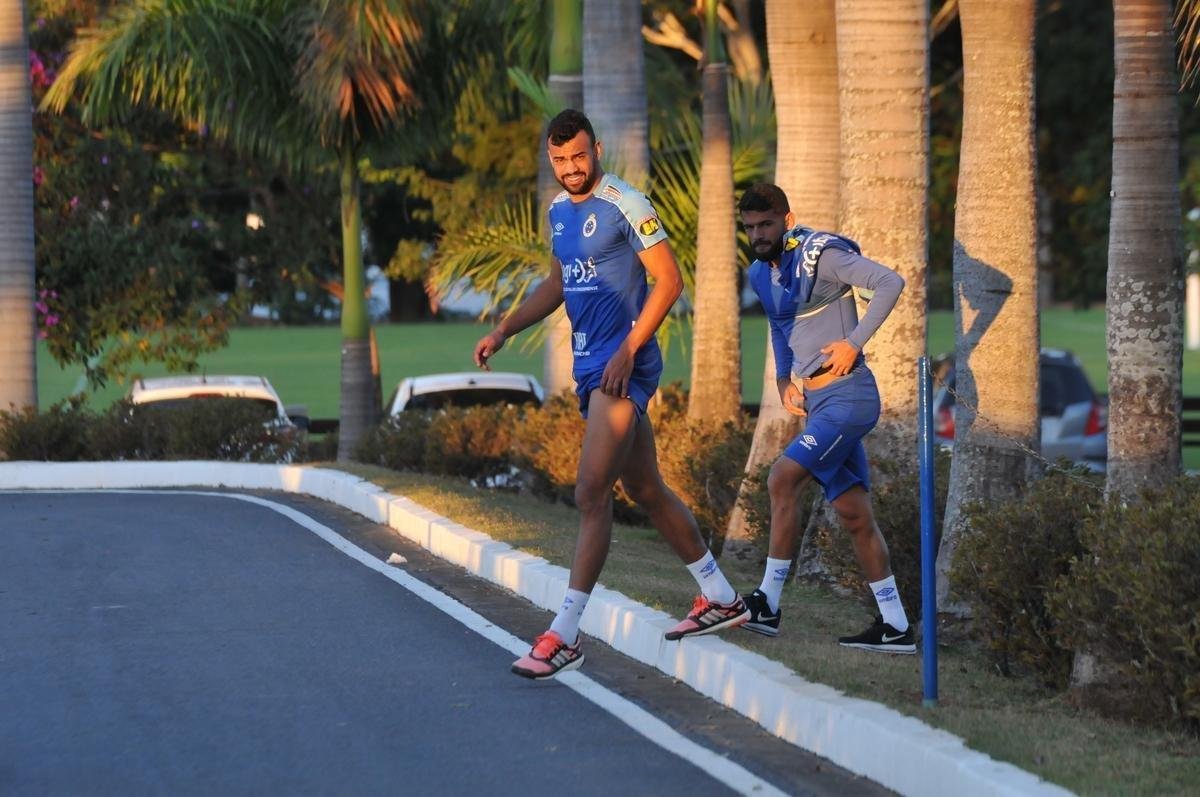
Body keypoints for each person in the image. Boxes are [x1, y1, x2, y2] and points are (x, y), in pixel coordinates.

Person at [473, 109, 749, 680]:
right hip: (590, 365)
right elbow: (557, 283)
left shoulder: (628, 203)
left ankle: (564, 634)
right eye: (559, 160)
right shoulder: (558, 210)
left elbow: (670, 280)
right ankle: (721, 597)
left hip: (623, 365)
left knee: (591, 492)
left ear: (596, 149)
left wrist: (628, 349)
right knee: (645, 488)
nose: (570, 168)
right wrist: (504, 330)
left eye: (578, 156)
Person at [736, 182, 915, 654]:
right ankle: (896, 626)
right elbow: (779, 325)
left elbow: (890, 282)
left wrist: (854, 342)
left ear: (787, 221)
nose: (758, 234)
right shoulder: (760, 274)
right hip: (817, 404)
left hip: (849, 397)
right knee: (855, 515)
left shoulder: (823, 257)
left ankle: (768, 604)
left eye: (766, 224)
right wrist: (783, 379)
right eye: (750, 227)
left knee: (781, 478)